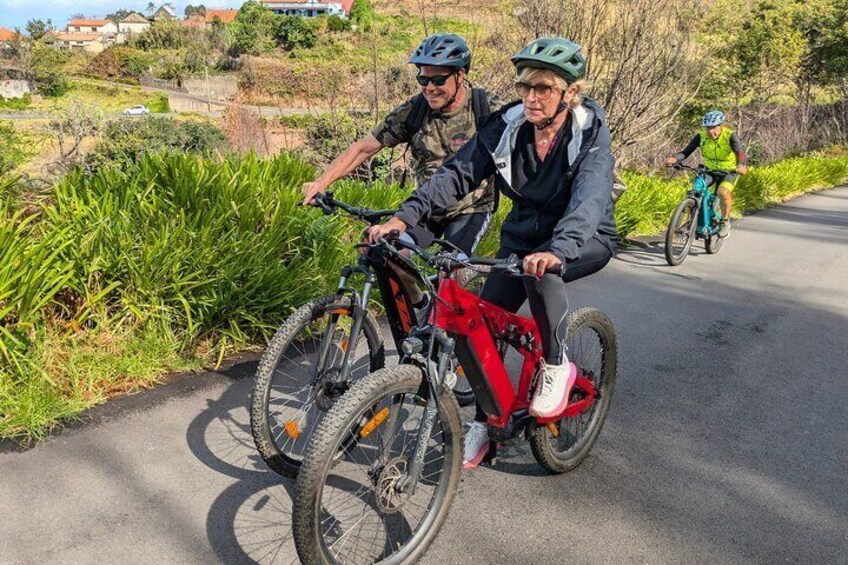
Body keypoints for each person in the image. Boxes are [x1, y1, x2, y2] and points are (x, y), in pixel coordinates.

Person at [366, 37, 618, 468]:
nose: (532, 98)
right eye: (526, 87)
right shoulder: (508, 124)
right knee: (478, 322)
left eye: (544, 89)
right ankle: (487, 421)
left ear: (569, 93)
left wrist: (558, 249)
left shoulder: (589, 130)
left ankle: (557, 366)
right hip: (521, 241)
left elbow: (590, 198)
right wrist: (404, 218)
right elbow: (458, 173)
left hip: (582, 238)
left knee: (541, 275)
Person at [302, 33, 501, 260]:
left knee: (452, 267)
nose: (429, 88)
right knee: (387, 254)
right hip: (426, 208)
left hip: (471, 208)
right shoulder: (415, 111)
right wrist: (321, 182)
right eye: (423, 80)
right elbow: (365, 147)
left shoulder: (487, 108)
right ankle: (415, 297)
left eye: (438, 80)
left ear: (460, 75)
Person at [665, 110, 748, 238]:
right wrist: (675, 159)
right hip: (709, 170)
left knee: (722, 192)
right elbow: (685, 152)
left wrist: (741, 165)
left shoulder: (730, 136)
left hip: (729, 172)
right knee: (696, 190)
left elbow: (740, 153)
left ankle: (725, 221)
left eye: (714, 127)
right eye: (708, 128)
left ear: (720, 126)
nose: (710, 131)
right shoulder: (701, 136)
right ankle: (694, 220)